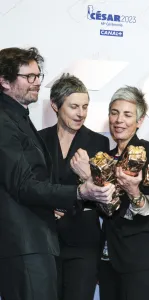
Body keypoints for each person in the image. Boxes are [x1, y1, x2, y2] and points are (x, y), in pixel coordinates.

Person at [0, 47, 114, 300]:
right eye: (28, 77)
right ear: (4, 81)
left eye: (38, 75)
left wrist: (87, 181)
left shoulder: (20, 118)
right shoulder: (7, 121)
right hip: (26, 243)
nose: (37, 81)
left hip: (57, 242)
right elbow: (23, 184)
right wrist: (77, 191)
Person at [83, 86, 149, 300]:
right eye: (114, 113)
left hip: (142, 257)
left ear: (139, 121)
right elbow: (103, 209)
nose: (119, 120)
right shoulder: (104, 157)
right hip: (109, 256)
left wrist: (133, 192)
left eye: (127, 114)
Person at [39, 73, 110, 300]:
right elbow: (30, 186)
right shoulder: (38, 140)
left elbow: (104, 194)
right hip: (45, 239)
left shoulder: (99, 143)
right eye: (74, 107)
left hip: (83, 242)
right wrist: (47, 207)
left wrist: (88, 176)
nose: (81, 113)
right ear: (55, 106)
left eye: (85, 107)